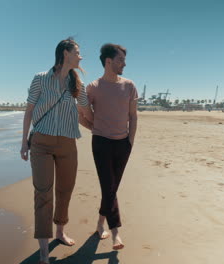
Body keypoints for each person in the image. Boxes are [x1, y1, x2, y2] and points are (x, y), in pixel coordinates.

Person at [20, 38, 93, 264]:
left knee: (65, 189)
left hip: (68, 143)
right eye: (77, 52)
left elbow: (85, 112)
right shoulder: (41, 78)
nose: (81, 56)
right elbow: (29, 110)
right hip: (41, 142)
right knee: (43, 193)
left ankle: (60, 232)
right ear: (65, 53)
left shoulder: (77, 84)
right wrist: (24, 142)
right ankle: (43, 250)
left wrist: (104, 125)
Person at [85, 43, 138, 250]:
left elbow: (133, 116)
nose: (124, 64)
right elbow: (82, 113)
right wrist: (94, 128)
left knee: (111, 188)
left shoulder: (129, 85)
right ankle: (116, 231)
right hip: (101, 143)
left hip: (123, 143)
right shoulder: (93, 87)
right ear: (108, 61)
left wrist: (130, 141)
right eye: (120, 60)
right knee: (109, 186)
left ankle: (100, 223)